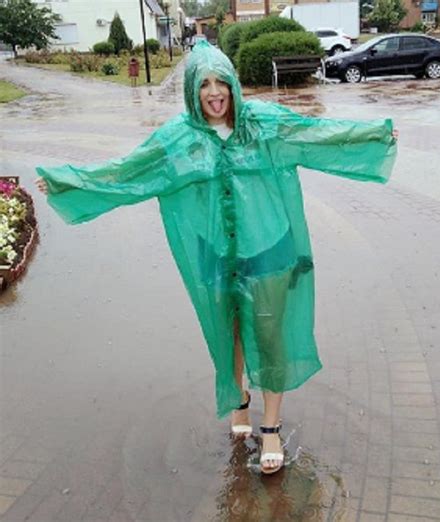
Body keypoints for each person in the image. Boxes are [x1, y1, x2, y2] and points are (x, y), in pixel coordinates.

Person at [36, 41, 397, 474]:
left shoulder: (262, 125)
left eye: (220, 81)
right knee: (230, 335)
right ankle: (240, 402)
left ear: (233, 85)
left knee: (269, 336)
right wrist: (69, 182)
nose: (214, 92)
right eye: (203, 84)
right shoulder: (177, 139)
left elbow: (316, 134)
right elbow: (128, 172)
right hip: (215, 255)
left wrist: (375, 134)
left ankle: (272, 429)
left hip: (269, 251)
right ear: (192, 90)